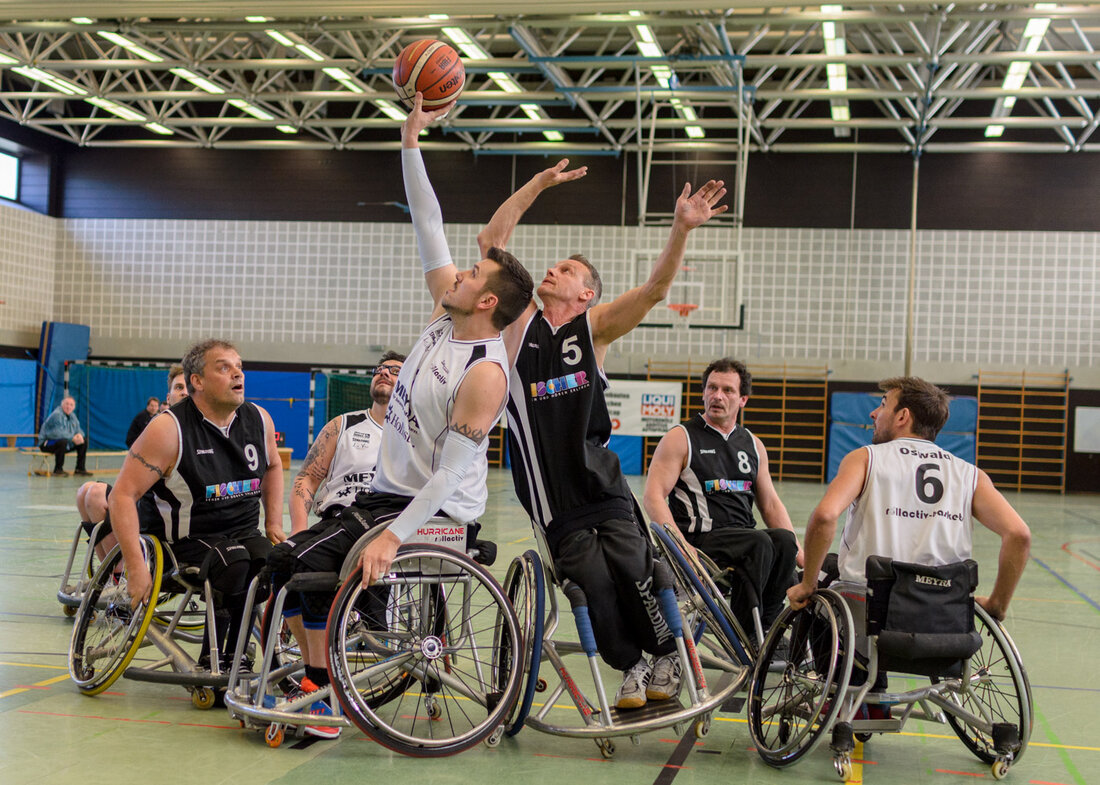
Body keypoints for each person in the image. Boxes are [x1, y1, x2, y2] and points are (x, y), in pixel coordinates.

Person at [265, 92, 533, 738]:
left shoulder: (485, 372)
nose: (459, 272)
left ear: (487, 298)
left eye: (472, 271)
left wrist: (390, 536)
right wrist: (411, 141)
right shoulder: (446, 316)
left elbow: (447, 478)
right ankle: (318, 679)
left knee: (296, 563)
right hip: (389, 496)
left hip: (434, 514)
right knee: (289, 557)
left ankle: (323, 692)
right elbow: (427, 221)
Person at [475, 147, 728, 709]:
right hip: (553, 499)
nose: (553, 270)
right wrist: (538, 183)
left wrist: (681, 229)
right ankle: (632, 664)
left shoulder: (594, 329)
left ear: (586, 293)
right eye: (555, 265)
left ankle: (664, 654)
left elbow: (656, 291)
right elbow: (491, 241)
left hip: (604, 489)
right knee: (593, 587)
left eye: (566, 270)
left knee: (637, 569)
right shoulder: (518, 329)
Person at [788, 376, 1031, 652]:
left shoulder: (866, 458)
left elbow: (824, 517)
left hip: (873, 608)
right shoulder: (970, 475)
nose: (873, 413)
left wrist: (808, 584)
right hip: (942, 608)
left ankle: (831, 682)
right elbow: (1019, 534)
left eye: (882, 405)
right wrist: (997, 604)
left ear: (903, 416)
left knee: (813, 578)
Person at [110, 341, 284, 676]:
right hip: (188, 539)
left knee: (272, 565)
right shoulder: (167, 428)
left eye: (239, 366)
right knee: (233, 564)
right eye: (223, 367)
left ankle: (236, 658)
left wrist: (274, 521)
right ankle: (216, 659)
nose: (237, 373)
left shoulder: (258, 418)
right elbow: (121, 496)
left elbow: (274, 466)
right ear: (197, 381)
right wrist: (135, 566)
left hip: (243, 531)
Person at [643, 358, 803, 638]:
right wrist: (679, 547)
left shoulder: (753, 444)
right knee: (760, 543)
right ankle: (742, 634)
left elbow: (771, 504)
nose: (718, 396)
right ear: (703, 393)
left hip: (743, 540)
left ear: (743, 400)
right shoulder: (681, 438)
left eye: (727, 390)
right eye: (712, 388)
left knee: (785, 542)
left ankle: (766, 629)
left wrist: (803, 558)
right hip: (700, 540)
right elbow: (653, 496)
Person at [288, 351, 404, 536]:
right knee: (284, 556)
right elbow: (307, 478)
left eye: (395, 370)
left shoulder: (416, 435)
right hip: (338, 519)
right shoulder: (341, 425)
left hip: (387, 525)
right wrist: (299, 529)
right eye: (379, 370)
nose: (383, 373)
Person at [76, 365, 188, 556]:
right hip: (147, 500)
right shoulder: (157, 427)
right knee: (85, 493)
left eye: (187, 388)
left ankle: (120, 571)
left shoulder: (195, 433)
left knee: (95, 494)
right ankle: (112, 574)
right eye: (178, 388)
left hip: (165, 513)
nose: (184, 392)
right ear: (168, 398)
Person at [39, 396, 90, 476]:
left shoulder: (73, 416)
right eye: (66, 404)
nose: (68, 406)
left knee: (83, 441)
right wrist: (72, 438)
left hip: (66, 443)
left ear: (74, 407)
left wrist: (79, 435)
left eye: (71, 405)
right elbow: (57, 433)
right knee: (62, 441)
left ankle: (79, 469)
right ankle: (58, 470)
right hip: (47, 443)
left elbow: (78, 429)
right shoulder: (56, 415)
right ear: (62, 404)